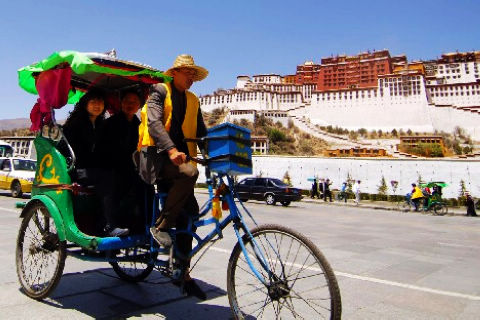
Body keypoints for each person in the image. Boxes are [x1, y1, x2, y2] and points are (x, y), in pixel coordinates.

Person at [137, 54, 208, 299]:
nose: (191, 79)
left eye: (193, 75)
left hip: (179, 163)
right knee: (191, 171)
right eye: (187, 73)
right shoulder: (159, 91)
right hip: (156, 159)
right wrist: (171, 149)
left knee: (191, 214)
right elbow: (154, 124)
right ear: (174, 73)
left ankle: (182, 272)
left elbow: (201, 132)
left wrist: (217, 155)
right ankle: (161, 225)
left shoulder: (193, 100)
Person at [63, 89, 129, 237]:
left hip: (95, 170)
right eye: (93, 102)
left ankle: (119, 221)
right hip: (77, 170)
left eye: (100, 102)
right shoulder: (74, 125)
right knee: (106, 178)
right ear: (85, 104)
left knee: (121, 175)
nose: (97, 105)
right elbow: (69, 153)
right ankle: (108, 225)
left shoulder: (102, 125)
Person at [98, 89, 149, 234]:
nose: (130, 104)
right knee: (114, 181)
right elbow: (104, 150)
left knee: (147, 186)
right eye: (127, 101)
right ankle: (110, 224)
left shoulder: (139, 126)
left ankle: (143, 224)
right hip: (110, 166)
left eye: (134, 102)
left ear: (139, 105)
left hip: (131, 167)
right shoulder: (110, 123)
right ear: (121, 103)